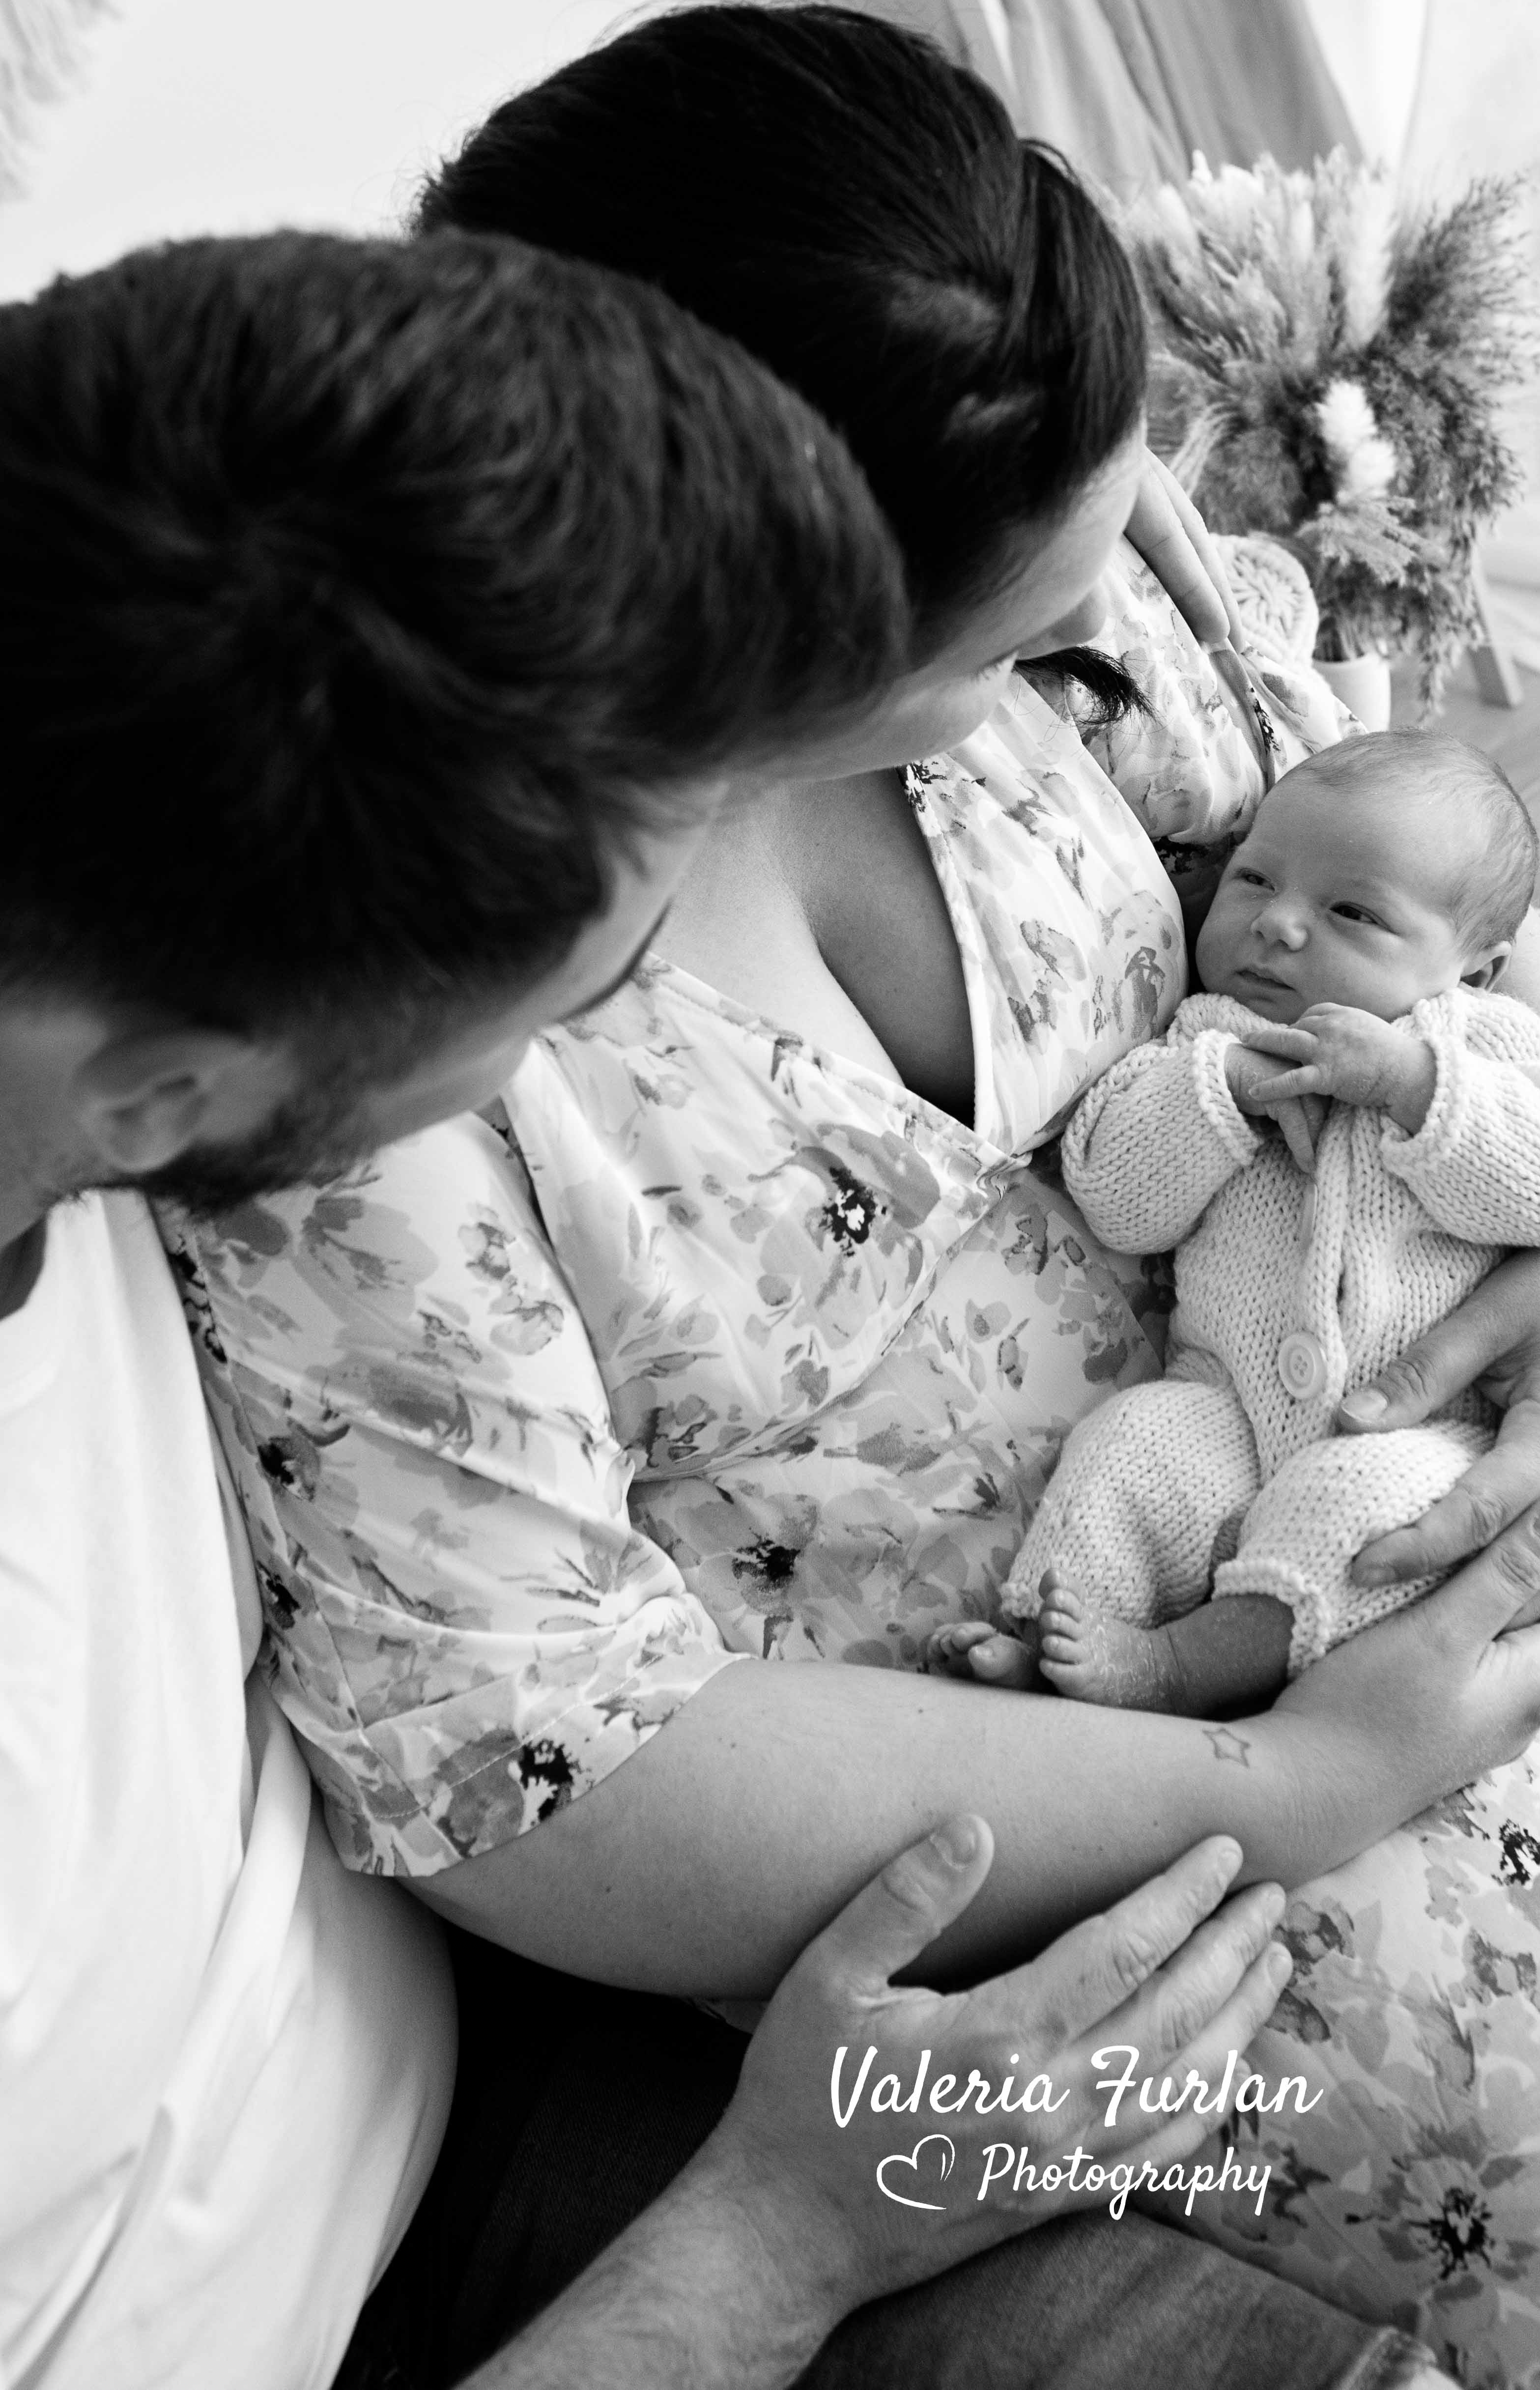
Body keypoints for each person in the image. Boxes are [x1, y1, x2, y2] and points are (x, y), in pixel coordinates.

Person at [172, 4, 1540, 2376]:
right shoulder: (411, 1038)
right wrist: (1281, 1779)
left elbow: (1417, 871)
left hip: (1427, 1337)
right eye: (1036, 639)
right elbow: (527, 1771)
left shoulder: (1067, 566)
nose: (1134, 630)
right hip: (1096, 1722)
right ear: (770, 622)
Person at [0, 228, 1432, 2390]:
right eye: (595, 980)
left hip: (501, 2066)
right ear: (187, 1096)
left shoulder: (109, 829)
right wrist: (776, 2244)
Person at [963, 732, 1540, 1711]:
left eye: (1350, 912)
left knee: (1348, 1509)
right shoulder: (1204, 1041)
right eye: (1254, 880)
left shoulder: (1480, 1044)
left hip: (1433, 1431)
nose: (1276, 926)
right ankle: (1049, 1645)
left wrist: (1417, 1090)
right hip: (1224, 1405)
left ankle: (1178, 1669)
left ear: (1471, 971)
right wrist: (1226, 1090)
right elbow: (1116, 1195)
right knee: (1130, 1449)